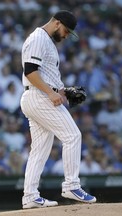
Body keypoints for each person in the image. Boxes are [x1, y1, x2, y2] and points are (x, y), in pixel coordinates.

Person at [20, 10, 96, 209]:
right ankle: (71, 185)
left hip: (38, 96)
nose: (66, 35)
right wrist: (51, 93)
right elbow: (30, 71)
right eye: (66, 31)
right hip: (39, 96)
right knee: (72, 136)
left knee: (40, 150)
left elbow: (46, 74)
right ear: (56, 23)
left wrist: (63, 91)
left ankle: (30, 195)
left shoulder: (48, 42)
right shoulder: (38, 38)